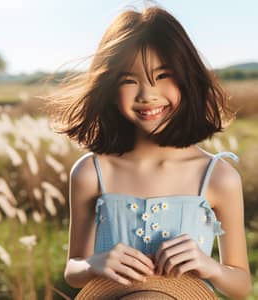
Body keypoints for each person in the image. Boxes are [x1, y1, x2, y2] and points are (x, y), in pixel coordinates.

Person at [43, 4, 252, 299]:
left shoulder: (218, 177)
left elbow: (241, 285)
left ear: (187, 80)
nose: (147, 95)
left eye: (163, 75)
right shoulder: (92, 172)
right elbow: (73, 271)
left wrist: (210, 267)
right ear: (109, 89)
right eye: (128, 80)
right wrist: (94, 264)